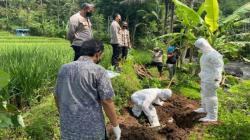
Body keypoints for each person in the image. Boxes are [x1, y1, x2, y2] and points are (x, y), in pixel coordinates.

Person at [54, 39, 121, 140]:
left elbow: (57, 96)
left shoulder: (64, 69)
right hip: (92, 132)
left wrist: (66, 116)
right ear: (98, 54)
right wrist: (116, 126)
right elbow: (106, 101)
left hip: (68, 131)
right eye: (102, 55)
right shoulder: (98, 71)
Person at [194, 38, 224, 122]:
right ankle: (205, 108)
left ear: (204, 46)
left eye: (200, 47)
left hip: (211, 79)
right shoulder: (205, 54)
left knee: (211, 97)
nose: (199, 49)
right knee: (204, 94)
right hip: (205, 78)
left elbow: (219, 68)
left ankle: (212, 116)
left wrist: (217, 79)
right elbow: (205, 67)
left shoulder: (214, 55)